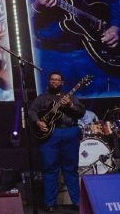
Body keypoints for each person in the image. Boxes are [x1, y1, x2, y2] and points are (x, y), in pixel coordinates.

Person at [28, 72, 86, 212]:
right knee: (49, 169)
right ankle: (49, 203)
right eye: (52, 79)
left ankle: (77, 202)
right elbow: (31, 111)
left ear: (62, 83)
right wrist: (38, 122)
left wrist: (71, 105)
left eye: (57, 80)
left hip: (70, 132)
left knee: (71, 169)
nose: (54, 82)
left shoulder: (71, 97)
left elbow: (81, 112)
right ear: (49, 82)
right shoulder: (42, 98)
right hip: (50, 135)